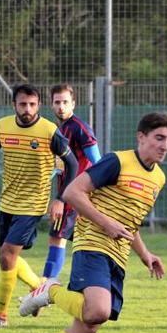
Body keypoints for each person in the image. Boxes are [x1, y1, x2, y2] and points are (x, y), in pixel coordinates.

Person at [0, 112, 167, 333]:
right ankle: (49, 291)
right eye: (159, 138)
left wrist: (145, 255)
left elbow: (130, 223)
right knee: (98, 311)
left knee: (87, 329)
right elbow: (72, 192)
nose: (164, 145)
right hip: (92, 243)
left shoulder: (159, 179)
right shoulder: (117, 161)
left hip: (117, 254)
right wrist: (106, 223)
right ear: (141, 137)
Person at [0, 84, 78, 328]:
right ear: (14, 105)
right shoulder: (2, 126)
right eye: (22, 104)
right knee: (5, 257)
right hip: (7, 201)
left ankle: (0, 315)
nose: (27, 109)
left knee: (8, 254)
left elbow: (72, 164)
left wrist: (60, 198)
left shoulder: (49, 131)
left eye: (32, 104)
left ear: (38, 105)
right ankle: (39, 289)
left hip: (33, 204)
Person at [41, 83, 101, 280]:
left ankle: (44, 290)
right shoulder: (60, 128)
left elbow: (97, 161)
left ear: (73, 104)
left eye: (65, 102)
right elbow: (61, 165)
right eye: (57, 102)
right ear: (51, 105)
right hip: (70, 193)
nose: (61, 106)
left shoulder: (78, 127)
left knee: (57, 239)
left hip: (73, 194)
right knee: (82, 243)